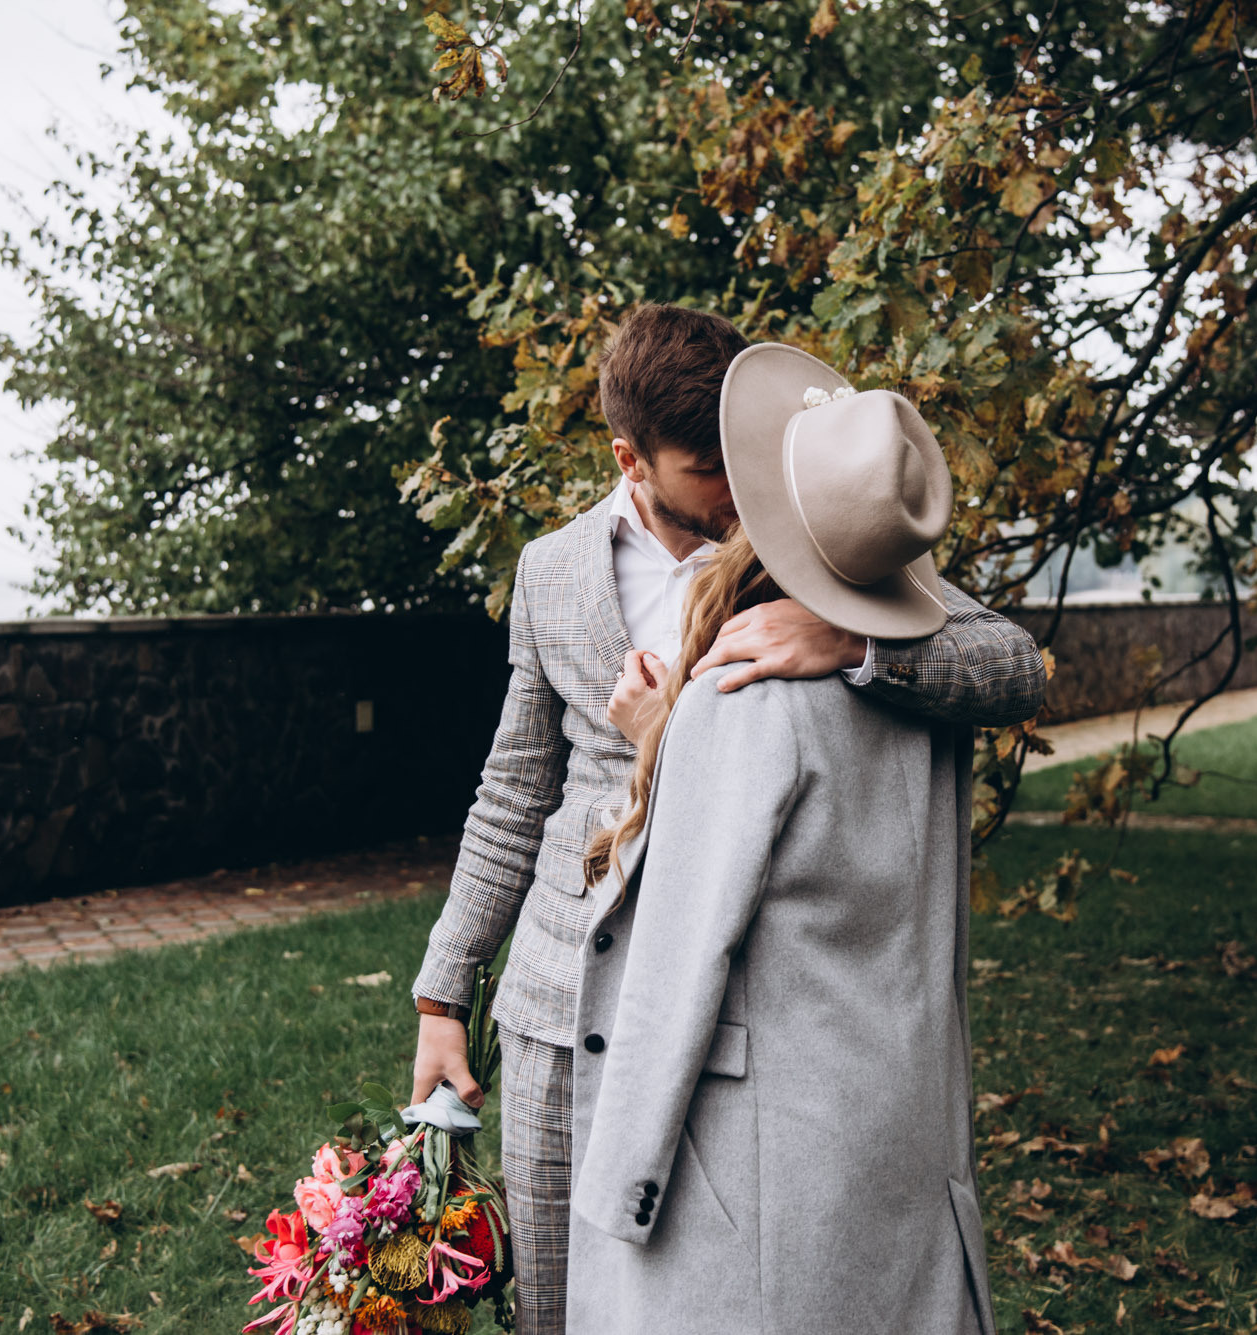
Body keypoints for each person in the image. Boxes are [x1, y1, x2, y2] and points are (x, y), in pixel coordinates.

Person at [408, 311, 1043, 1334]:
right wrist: (444, 995)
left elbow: (1011, 665)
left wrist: (849, 642)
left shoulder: (815, 552)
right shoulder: (550, 574)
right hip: (556, 1005)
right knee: (558, 1308)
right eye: (707, 469)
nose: (734, 491)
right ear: (631, 460)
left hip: (721, 1023)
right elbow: (512, 793)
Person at [565, 344, 1011, 1333]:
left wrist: (617, 1188)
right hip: (897, 1107)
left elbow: (674, 945)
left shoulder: (750, 692)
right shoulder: (922, 678)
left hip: (764, 1145)